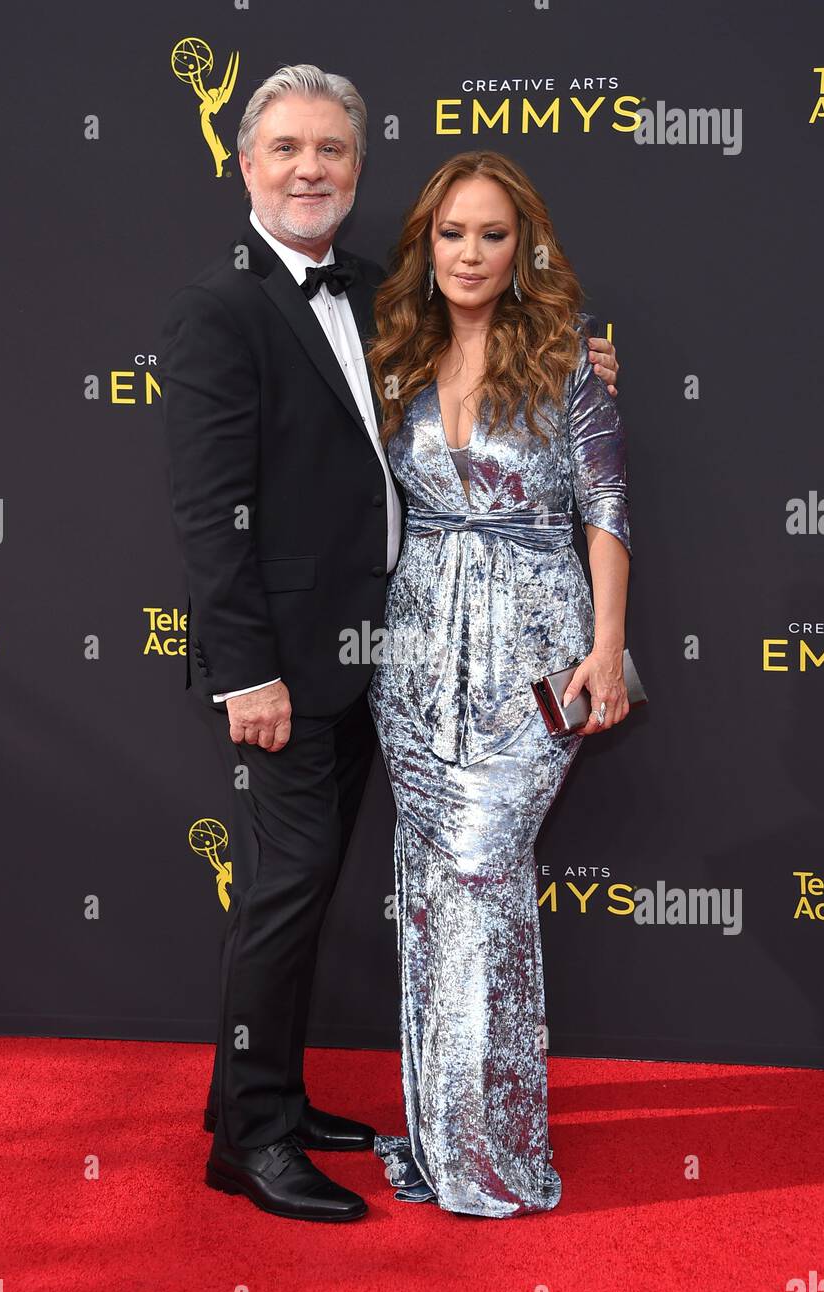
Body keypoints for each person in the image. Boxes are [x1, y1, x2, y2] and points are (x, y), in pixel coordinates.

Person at [160, 64, 620, 1224]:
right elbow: (208, 514)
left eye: (331, 151)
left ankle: (267, 1095)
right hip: (283, 670)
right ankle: (248, 1140)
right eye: (286, 149)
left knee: (317, 891)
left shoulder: (381, 298)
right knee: (283, 891)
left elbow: (500, 342)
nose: (309, 168)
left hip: (397, 663)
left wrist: (583, 372)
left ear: (357, 172)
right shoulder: (218, 312)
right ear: (244, 161)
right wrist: (246, 670)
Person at [365, 150, 632, 1217]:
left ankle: (484, 1156)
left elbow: (606, 509)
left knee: (478, 873)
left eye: (490, 234)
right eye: (450, 234)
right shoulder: (391, 359)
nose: (468, 253)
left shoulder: (568, 359)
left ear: (523, 250)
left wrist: (606, 647)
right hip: (414, 658)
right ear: (424, 247)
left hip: (536, 658)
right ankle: (451, 1140)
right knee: (437, 899)